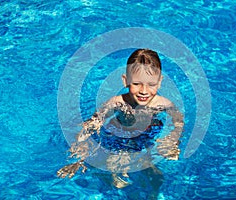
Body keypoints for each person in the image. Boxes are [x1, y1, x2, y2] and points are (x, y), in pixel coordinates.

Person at [57, 49, 184, 189]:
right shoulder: (117, 102)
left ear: (159, 82)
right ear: (125, 81)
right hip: (117, 134)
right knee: (115, 171)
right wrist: (79, 148)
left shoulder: (163, 104)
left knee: (154, 173)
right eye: (137, 84)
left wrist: (172, 140)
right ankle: (82, 165)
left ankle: (143, 170)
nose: (144, 91)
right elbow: (93, 123)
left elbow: (178, 120)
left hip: (147, 134)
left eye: (151, 84)